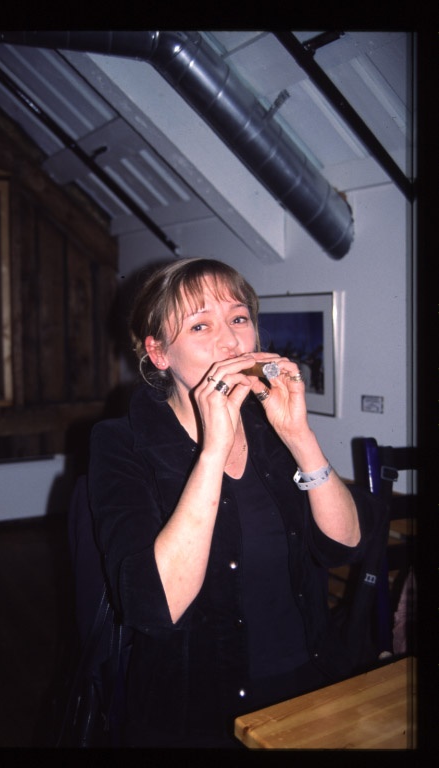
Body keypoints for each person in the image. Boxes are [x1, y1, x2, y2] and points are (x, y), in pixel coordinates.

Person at [88, 257, 377, 748]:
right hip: (197, 713)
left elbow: (344, 545)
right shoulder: (120, 443)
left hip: (310, 684)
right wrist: (213, 449)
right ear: (159, 353)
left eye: (239, 319)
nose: (231, 342)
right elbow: (154, 607)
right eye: (200, 326)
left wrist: (299, 436)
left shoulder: (270, 428)